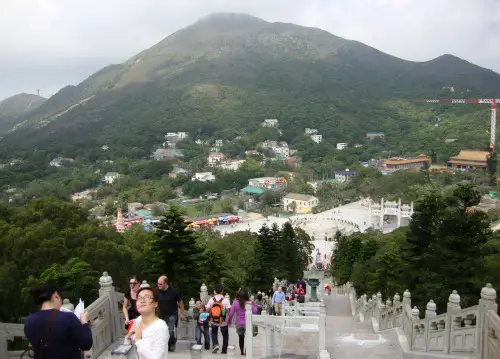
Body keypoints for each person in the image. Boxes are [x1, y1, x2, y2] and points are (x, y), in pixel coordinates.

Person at [24, 283, 93, 359]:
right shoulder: (68, 317)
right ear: (56, 295)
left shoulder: (29, 321)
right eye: (61, 299)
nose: (61, 304)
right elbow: (86, 344)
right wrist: (84, 322)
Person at [125, 287, 169, 359]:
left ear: (155, 304)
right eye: (139, 298)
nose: (142, 300)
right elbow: (129, 352)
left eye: (147, 297)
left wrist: (138, 340)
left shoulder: (160, 327)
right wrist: (127, 338)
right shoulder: (137, 321)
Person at [156, 275, 184, 352]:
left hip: (172, 314)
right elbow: (154, 302)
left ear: (165, 283)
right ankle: (171, 342)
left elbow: (180, 302)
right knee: (162, 330)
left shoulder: (173, 291)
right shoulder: (157, 291)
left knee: (169, 330)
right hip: (162, 315)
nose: (158, 285)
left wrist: (182, 313)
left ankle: (169, 344)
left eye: (160, 284)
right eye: (158, 283)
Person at [227, 288, 257, 356]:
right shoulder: (249, 303)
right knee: (248, 337)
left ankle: (242, 352)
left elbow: (231, 314)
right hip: (248, 323)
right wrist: (253, 302)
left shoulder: (235, 303)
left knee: (241, 337)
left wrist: (229, 322)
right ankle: (247, 351)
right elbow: (255, 311)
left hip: (239, 323)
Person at [206, 283, 231, 354]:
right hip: (223, 321)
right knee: (225, 334)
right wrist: (229, 320)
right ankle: (224, 350)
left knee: (214, 333)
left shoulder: (211, 299)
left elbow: (207, 309)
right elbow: (229, 311)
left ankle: (215, 344)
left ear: (215, 291)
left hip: (213, 320)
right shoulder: (226, 300)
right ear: (222, 291)